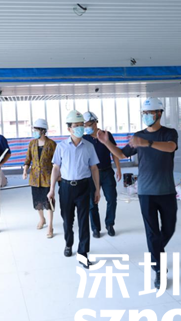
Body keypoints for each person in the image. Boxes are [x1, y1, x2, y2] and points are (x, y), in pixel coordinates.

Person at [97, 98, 178, 288]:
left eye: (150, 113)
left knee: (169, 228)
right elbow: (121, 154)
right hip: (146, 192)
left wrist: (147, 143)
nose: (146, 116)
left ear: (159, 113)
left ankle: (155, 253)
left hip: (166, 190)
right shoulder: (138, 136)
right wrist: (107, 143)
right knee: (152, 232)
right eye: (144, 113)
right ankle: (159, 270)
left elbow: (171, 147)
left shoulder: (169, 133)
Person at [48, 110, 101, 269]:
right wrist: (51, 189)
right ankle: (68, 243)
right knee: (67, 219)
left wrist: (97, 190)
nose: (79, 128)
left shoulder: (89, 146)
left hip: (84, 187)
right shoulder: (61, 147)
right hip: (66, 188)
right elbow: (55, 168)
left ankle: (83, 253)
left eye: (81, 125)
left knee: (84, 221)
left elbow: (94, 169)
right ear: (69, 129)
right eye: (76, 125)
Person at [82, 111, 121, 238]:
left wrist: (118, 169)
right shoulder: (84, 138)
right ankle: (95, 228)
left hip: (106, 172)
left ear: (95, 123)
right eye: (84, 125)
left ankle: (109, 224)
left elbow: (114, 152)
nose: (86, 127)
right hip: (91, 174)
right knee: (92, 202)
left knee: (112, 199)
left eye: (88, 124)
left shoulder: (106, 135)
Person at [23, 118, 57, 238]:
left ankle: (50, 226)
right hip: (35, 178)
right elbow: (28, 159)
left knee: (49, 202)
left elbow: (56, 162)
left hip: (47, 178)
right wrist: (25, 171)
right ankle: (42, 219)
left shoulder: (52, 144)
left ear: (43, 130)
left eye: (36, 129)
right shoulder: (32, 143)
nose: (34, 132)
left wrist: (58, 176)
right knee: (38, 201)